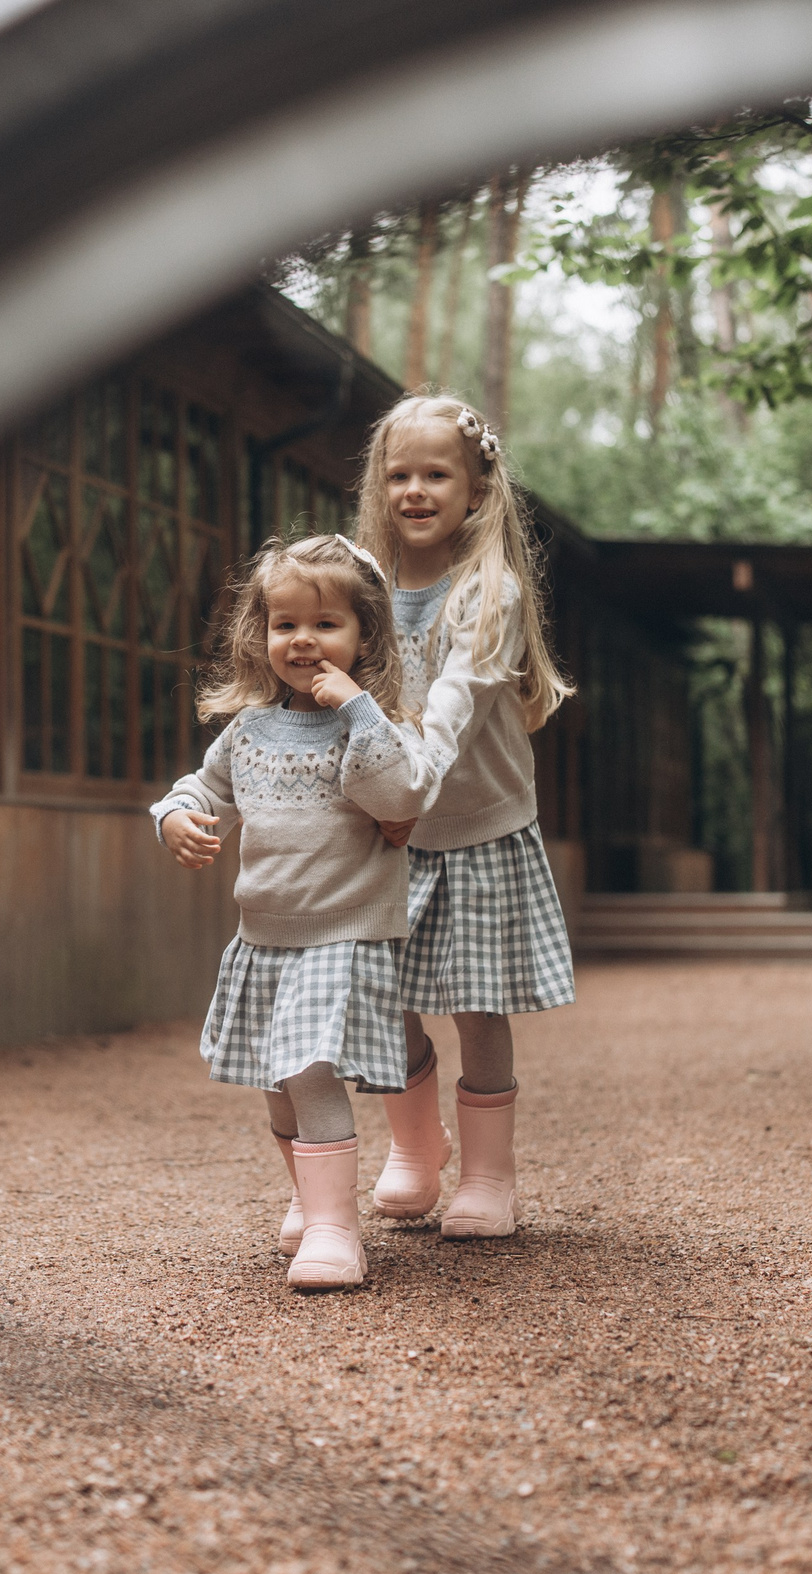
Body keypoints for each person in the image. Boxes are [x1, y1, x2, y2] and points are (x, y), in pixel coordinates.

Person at [152, 534, 431, 1291]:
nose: (303, 640)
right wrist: (175, 814)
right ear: (261, 634)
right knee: (275, 1084)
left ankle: (339, 1231)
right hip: (264, 937)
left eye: (326, 624)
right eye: (285, 624)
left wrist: (360, 709)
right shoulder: (247, 731)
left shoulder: (372, 724)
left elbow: (401, 797)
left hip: (344, 931)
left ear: (364, 635)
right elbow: (204, 790)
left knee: (307, 1070)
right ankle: (314, 1200)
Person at [354, 394, 576, 1240]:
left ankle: (490, 1174)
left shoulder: (491, 592)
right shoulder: (363, 586)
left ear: (476, 490)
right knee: (385, 995)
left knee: (478, 1004)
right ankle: (415, 1148)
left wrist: (403, 788)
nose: (415, 489)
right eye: (398, 473)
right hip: (387, 832)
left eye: (436, 474)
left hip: (475, 827)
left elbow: (450, 713)